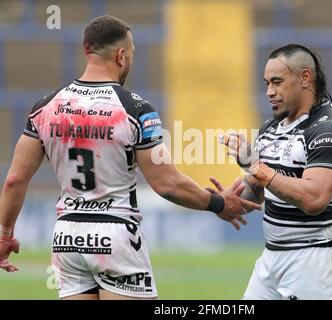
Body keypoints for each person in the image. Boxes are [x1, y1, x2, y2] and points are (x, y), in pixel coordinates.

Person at [0, 15, 261, 300]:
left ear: (87, 50)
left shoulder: (46, 107)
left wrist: (5, 233)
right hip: (116, 236)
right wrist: (219, 204)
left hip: (67, 238)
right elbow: (167, 184)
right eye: (132, 53)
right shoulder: (135, 109)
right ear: (121, 55)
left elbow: (15, 180)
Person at [215, 44, 332, 300]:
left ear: (305, 78)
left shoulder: (329, 130)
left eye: (277, 82)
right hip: (272, 256)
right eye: (267, 83)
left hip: (318, 258)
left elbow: (314, 199)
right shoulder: (271, 128)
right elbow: (260, 189)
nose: (270, 92)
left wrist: (256, 167)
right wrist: (233, 199)